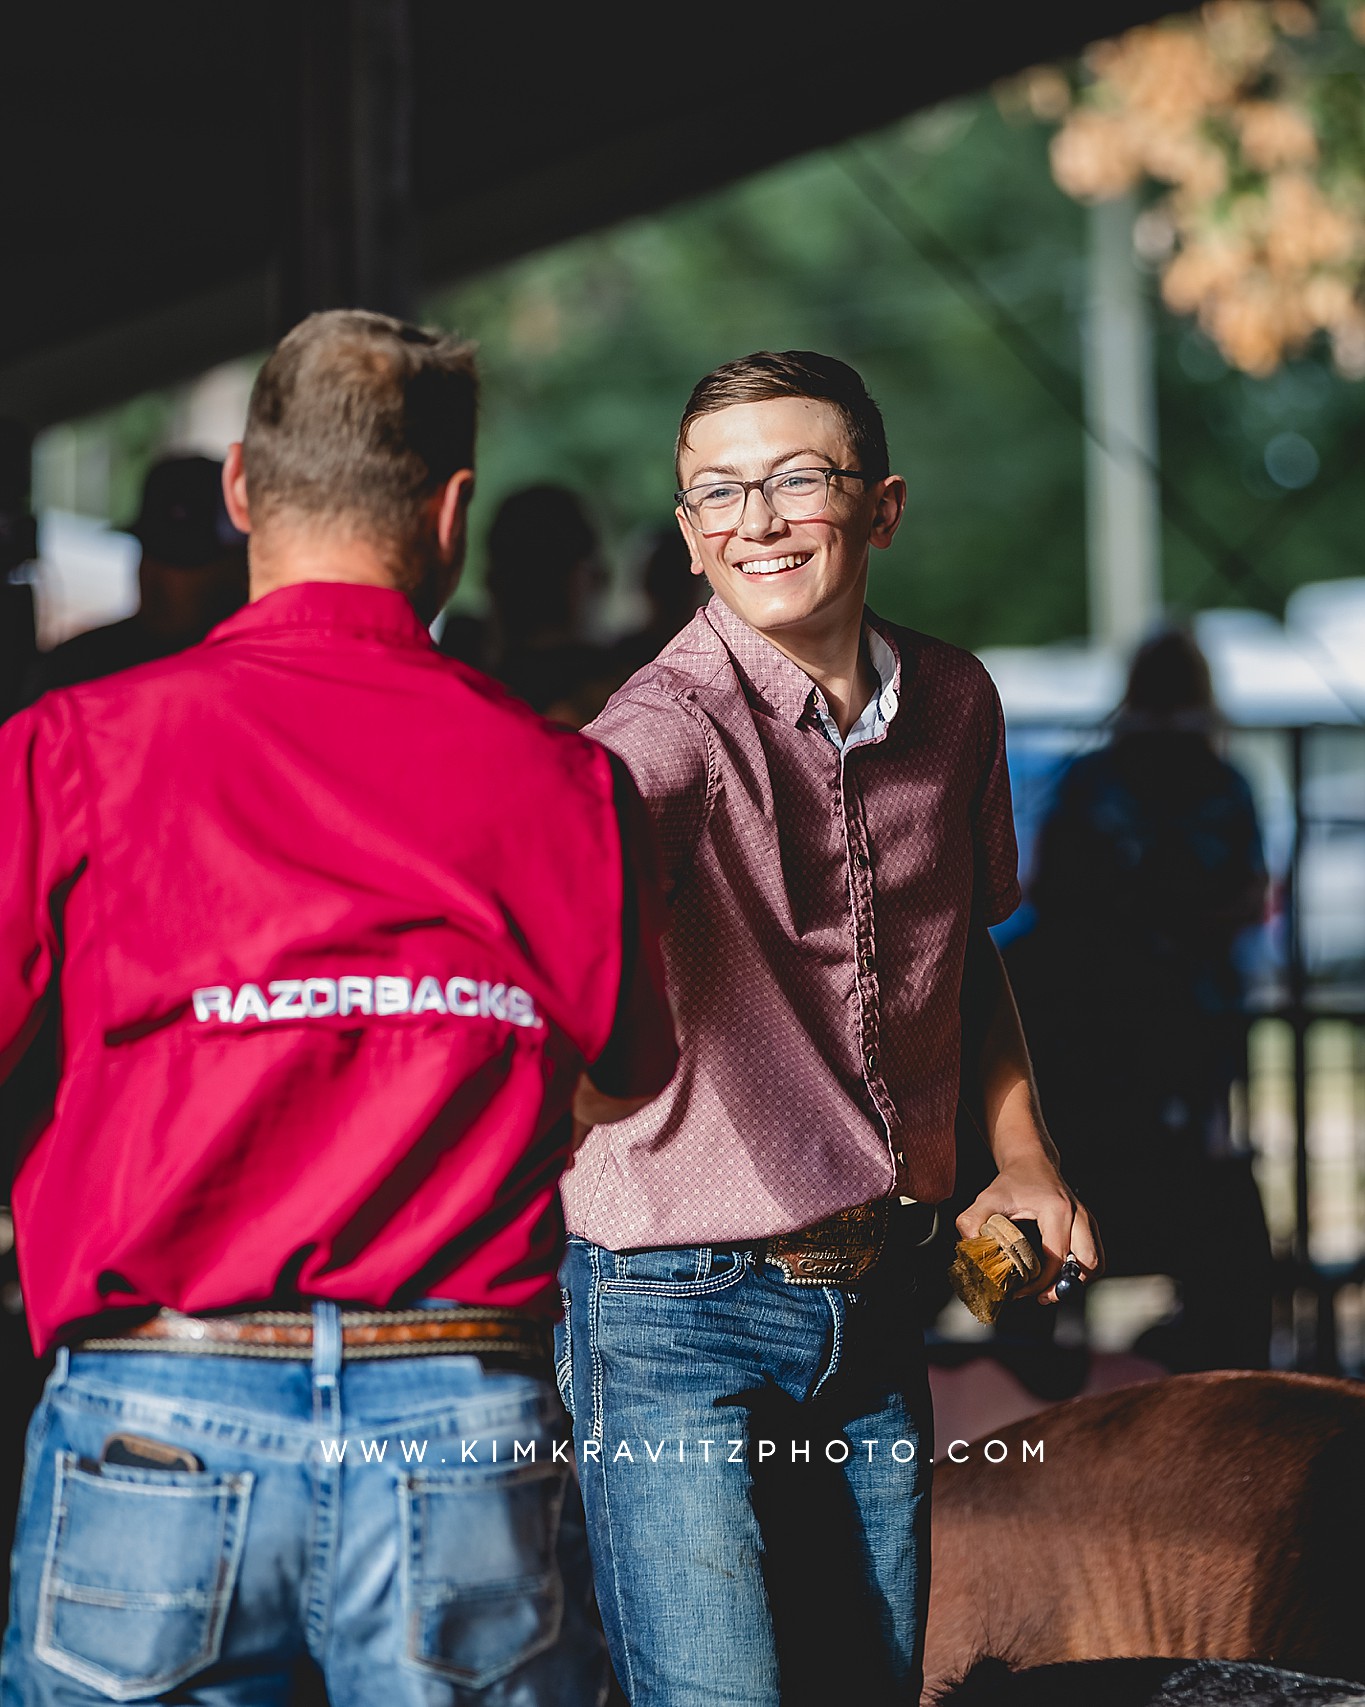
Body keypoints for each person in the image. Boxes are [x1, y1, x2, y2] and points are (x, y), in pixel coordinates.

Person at [0, 308, 678, 1707]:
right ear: (453, 512)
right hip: (458, 1427)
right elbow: (627, 1070)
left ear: (243, 486)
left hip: (152, 1416)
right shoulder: (568, 785)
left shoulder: (71, 749)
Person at [556, 349, 1102, 1706]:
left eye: (798, 478)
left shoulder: (957, 704)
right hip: (668, 1307)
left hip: (873, 1297)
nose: (758, 519)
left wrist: (1019, 1159)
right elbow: (563, 918)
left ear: (883, 506)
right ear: (687, 535)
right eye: (719, 493)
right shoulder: (657, 736)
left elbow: (960, 950)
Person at [1002, 625, 1273, 1372]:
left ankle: (1027, 1360)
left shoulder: (1091, 780)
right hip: (1171, 1064)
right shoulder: (1221, 783)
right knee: (1224, 1214)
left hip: (1080, 1075)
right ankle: (1189, 1376)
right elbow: (1244, 895)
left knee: (1021, 1221)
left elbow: (1047, 886)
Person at [21, 453, 248, 701]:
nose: (155, 573)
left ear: (237, 567)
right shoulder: (81, 667)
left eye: (181, 557)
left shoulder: (254, 674)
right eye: (147, 548)